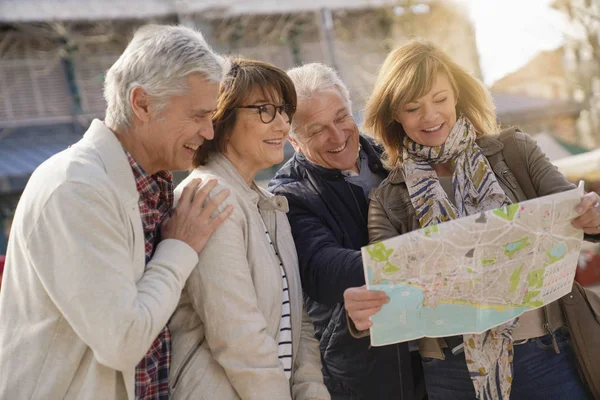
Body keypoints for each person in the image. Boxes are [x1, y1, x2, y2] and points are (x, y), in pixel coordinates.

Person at [345, 40, 600, 400]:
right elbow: (387, 290)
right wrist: (362, 313)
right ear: (395, 116)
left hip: (546, 354)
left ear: (457, 97)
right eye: (413, 107)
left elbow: (577, 209)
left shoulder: (515, 151)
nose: (431, 116)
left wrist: (593, 215)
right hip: (453, 374)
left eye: (440, 99)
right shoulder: (387, 199)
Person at [0, 25, 234, 399]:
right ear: (141, 103)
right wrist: (180, 248)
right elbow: (122, 342)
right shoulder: (75, 188)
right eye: (197, 115)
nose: (208, 131)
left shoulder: (150, 181)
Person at [168, 58, 329, 400]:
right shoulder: (208, 197)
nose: (283, 123)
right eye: (265, 110)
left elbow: (299, 322)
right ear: (222, 117)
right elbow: (237, 337)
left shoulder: (270, 205)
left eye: (285, 110)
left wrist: (311, 392)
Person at [269, 63, 423, 400]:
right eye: (317, 130)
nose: (337, 136)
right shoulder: (289, 196)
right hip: (367, 371)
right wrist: (426, 257)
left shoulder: (396, 156)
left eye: (341, 117)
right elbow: (322, 268)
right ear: (294, 140)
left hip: (434, 351)